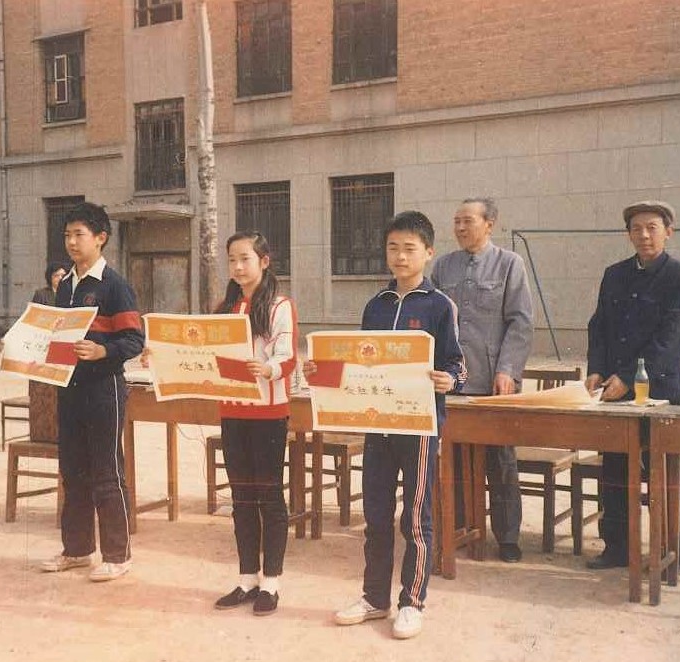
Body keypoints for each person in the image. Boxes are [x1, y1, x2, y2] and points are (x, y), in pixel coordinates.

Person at [312, 211, 466, 640]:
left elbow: (458, 364)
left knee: (415, 518)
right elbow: (360, 366)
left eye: (409, 249)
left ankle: (412, 602)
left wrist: (450, 380)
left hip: (418, 428)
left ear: (428, 253)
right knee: (376, 515)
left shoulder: (439, 305)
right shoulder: (376, 305)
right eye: (393, 248)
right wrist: (322, 371)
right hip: (377, 425)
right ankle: (374, 598)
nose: (400, 256)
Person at [585, 200, 680, 570]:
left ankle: (671, 552)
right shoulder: (614, 274)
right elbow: (599, 327)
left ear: (669, 232)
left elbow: (669, 339)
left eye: (652, 228)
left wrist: (629, 380)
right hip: (612, 392)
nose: (644, 235)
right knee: (615, 472)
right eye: (637, 229)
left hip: (660, 392)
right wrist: (596, 370)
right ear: (628, 234)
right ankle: (617, 549)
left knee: (663, 473)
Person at [39, 202, 144, 582]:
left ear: (101, 238)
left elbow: (134, 340)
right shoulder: (65, 284)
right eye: (67, 235)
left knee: (106, 470)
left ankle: (118, 555)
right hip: (70, 387)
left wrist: (102, 351)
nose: (71, 242)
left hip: (104, 388)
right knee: (73, 471)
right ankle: (78, 550)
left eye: (78, 234)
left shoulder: (115, 285)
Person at [430, 197, 533, 563]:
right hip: (453, 380)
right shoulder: (443, 266)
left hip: (493, 380)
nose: (460, 227)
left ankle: (507, 537)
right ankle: (460, 528)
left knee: (500, 461)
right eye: (456, 221)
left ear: (489, 224)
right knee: (454, 458)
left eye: (468, 221)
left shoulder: (509, 263)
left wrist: (508, 369)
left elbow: (520, 322)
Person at [210, 230, 298, 617]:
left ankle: (271, 582)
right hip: (232, 411)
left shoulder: (279, 306)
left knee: (269, 496)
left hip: (268, 412)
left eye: (245, 258)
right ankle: (247, 577)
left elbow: (288, 356)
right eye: (232, 259)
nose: (237, 266)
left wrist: (268, 368)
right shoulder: (225, 309)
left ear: (264, 261)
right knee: (241, 497)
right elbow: (203, 353)